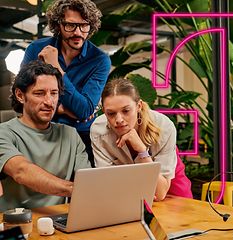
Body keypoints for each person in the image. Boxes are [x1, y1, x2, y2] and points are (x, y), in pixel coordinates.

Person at [21, 0, 111, 167]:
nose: (78, 32)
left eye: (84, 25)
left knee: (83, 188)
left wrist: (56, 67)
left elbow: (84, 109)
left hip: (81, 136)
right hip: (40, 132)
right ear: (58, 25)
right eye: (70, 25)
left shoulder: (100, 60)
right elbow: (21, 99)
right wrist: (64, 109)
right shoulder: (35, 49)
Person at [0, 60, 91, 211]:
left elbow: (87, 180)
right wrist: (74, 189)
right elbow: (21, 171)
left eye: (54, 93)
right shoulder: (4, 133)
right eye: (39, 93)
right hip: (15, 224)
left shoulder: (70, 135)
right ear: (20, 95)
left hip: (58, 220)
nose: (49, 102)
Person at [90, 78, 192, 201]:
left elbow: (160, 193)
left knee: (181, 215)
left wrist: (142, 151)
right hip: (128, 188)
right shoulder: (99, 131)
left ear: (139, 106)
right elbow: (108, 186)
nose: (119, 119)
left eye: (126, 111)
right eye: (111, 114)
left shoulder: (164, 127)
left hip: (168, 178)